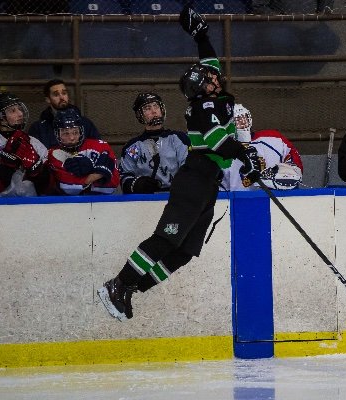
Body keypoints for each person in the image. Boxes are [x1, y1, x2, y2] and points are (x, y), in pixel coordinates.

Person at [97, 6, 262, 322]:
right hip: (194, 179)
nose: (216, 73)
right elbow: (216, 142)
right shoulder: (204, 106)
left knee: (185, 252)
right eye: (211, 76)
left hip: (208, 182)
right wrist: (246, 155)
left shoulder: (215, 96)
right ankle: (118, 283)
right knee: (167, 238)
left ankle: (134, 287)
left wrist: (202, 34)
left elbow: (209, 61)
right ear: (204, 85)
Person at [119, 92, 189, 194]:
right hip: (145, 201)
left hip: (177, 198)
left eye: (156, 106)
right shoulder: (133, 146)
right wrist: (137, 184)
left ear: (162, 109)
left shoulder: (179, 139)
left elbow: (190, 168)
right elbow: (123, 177)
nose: (154, 111)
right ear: (140, 115)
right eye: (147, 108)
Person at [222, 103, 303, 191]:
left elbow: (294, 163)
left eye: (244, 117)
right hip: (238, 201)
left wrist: (289, 173)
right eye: (236, 119)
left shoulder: (274, 139)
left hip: (275, 197)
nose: (242, 122)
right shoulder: (220, 151)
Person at [0, 92, 48, 197]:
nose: (20, 114)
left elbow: (47, 188)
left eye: (19, 109)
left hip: (34, 206)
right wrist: (7, 164)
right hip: (0, 207)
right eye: (13, 110)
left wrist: (36, 171)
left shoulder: (34, 142)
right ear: (0, 117)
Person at [47, 108, 120, 195]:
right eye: (66, 133)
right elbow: (67, 187)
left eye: (75, 132)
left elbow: (113, 184)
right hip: (67, 205)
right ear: (57, 134)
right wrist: (96, 174)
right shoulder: (54, 154)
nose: (72, 138)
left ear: (81, 131)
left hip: (102, 203)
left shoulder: (101, 146)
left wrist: (86, 176)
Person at [28, 79, 100, 149]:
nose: (62, 97)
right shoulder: (38, 128)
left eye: (64, 93)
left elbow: (98, 149)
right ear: (48, 99)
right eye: (56, 94)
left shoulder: (85, 123)